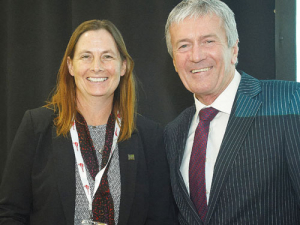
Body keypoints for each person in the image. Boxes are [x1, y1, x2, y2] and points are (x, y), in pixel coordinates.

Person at [0, 19, 175, 225]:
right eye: (86, 57)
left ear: (123, 67)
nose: (97, 67)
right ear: (70, 66)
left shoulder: (149, 135)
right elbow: (10, 213)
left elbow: (162, 218)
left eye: (107, 57)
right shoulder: (36, 126)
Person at [164, 0, 300, 224]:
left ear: (234, 49)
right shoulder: (173, 133)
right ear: (175, 62)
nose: (196, 56)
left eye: (208, 41)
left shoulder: (289, 102)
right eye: (184, 45)